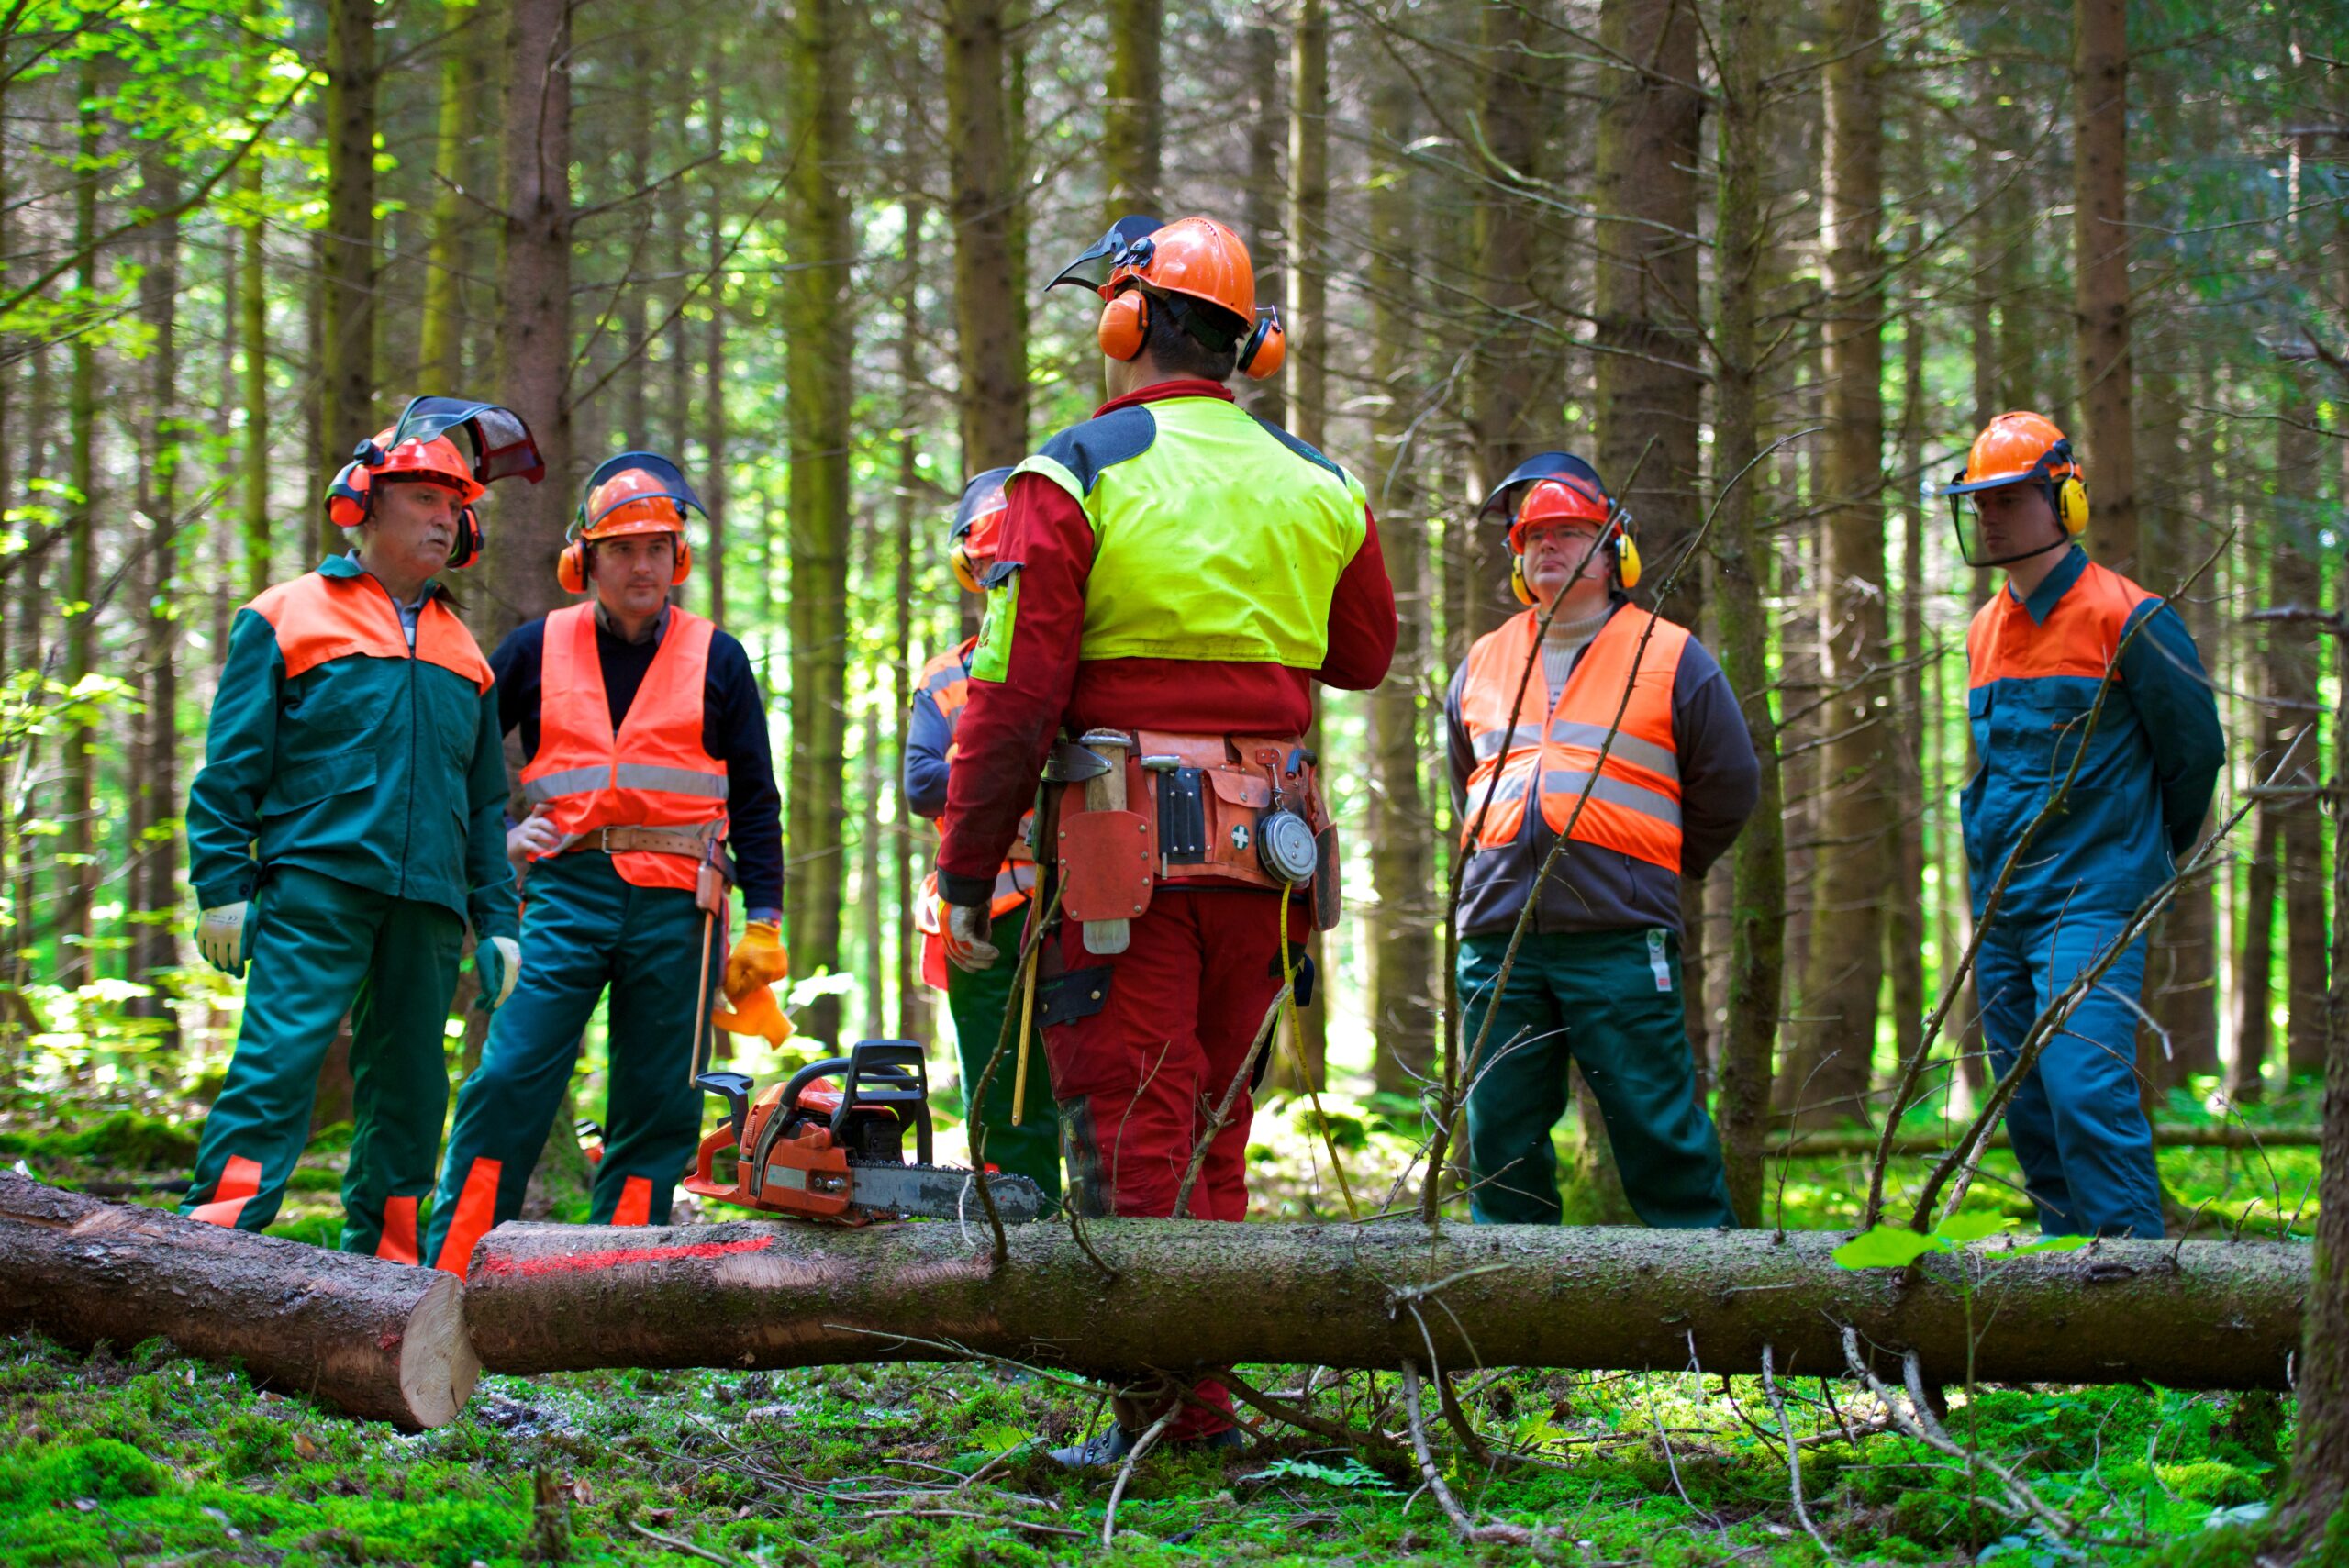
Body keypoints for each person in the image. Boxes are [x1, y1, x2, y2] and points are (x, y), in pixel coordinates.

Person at [936, 214, 1396, 1462]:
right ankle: (1202, 1404)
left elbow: (1014, 698)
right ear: (1251, 342)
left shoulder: (1072, 474)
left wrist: (965, 875)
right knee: (1215, 1134)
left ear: (1127, 321)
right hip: (1270, 861)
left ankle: (1165, 1420)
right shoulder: (1322, 483)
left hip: (1117, 860)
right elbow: (1362, 656)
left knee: (1139, 1127)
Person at [181, 397, 543, 1259]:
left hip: (427, 905)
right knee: (277, 1067)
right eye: (424, 498)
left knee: (414, 1091)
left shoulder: (466, 652)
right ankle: (209, 1248)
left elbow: (486, 806)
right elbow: (231, 767)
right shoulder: (284, 615)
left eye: (454, 505)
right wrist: (222, 888)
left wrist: (499, 924)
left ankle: (383, 1265)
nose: (444, 517)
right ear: (366, 504)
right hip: (318, 885)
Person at [425, 452, 788, 1276]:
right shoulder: (534, 647)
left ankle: (609, 1280)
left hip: (683, 905)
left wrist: (764, 920)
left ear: (679, 558)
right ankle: (449, 1268)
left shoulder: (718, 657)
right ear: (584, 560)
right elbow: (471, 763)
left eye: (657, 547)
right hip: (565, 890)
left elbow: (758, 800)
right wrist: (494, 843)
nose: (642, 565)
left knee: (659, 1103)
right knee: (509, 1073)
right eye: (623, 548)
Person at [1446, 453, 1755, 1230]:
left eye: (1569, 531)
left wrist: (1648, 867)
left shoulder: (1670, 654)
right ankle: (1505, 1316)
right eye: (1533, 535)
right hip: (1498, 934)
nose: (1546, 546)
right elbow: (1469, 782)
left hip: (1619, 934)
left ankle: (1706, 1307)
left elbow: (1729, 783)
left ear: (1614, 547)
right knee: (1499, 1137)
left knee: (1660, 1128)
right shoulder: (1482, 661)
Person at [1943, 412, 2223, 1240]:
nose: (1990, 516)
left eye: (2009, 498)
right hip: (2004, 903)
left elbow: (2195, 752)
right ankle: (2067, 1299)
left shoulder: (2128, 616)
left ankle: (2136, 1288)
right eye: (1979, 501)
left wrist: (2138, 858)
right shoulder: (1984, 628)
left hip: (2094, 895)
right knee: (2024, 1099)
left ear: (2062, 500)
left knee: (2081, 1084)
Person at [905, 468, 1058, 1203]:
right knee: (999, 1093)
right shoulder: (945, 679)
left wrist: (981, 769)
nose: (1005, 585)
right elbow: (920, 783)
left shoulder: (1078, 665)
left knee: (1078, 1086)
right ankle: (1013, 1232)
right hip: (981, 913)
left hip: (1075, 906)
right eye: (992, 569)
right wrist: (999, 761)